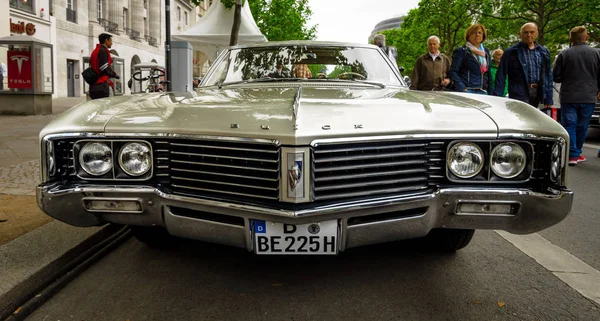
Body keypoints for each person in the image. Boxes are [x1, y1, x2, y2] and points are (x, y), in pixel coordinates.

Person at [552, 26, 600, 165]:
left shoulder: (564, 54)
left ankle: (572, 155)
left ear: (570, 39)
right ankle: (577, 153)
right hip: (589, 95)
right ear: (586, 37)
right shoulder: (596, 54)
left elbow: (557, 77)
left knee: (570, 124)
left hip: (569, 96)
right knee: (582, 126)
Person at [493, 23, 553, 109]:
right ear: (520, 34)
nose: (529, 35)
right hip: (518, 92)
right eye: (526, 32)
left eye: (532, 32)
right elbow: (501, 75)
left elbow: (548, 76)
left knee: (534, 120)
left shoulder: (543, 52)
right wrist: (497, 96)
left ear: (536, 33)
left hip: (538, 93)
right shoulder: (511, 52)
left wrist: (548, 98)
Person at [448, 23, 492, 95]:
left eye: (480, 32)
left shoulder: (486, 52)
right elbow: (453, 72)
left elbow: (488, 74)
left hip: (483, 91)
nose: (477, 35)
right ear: (468, 36)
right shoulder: (461, 51)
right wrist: (462, 88)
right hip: (468, 90)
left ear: (483, 35)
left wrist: (490, 92)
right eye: (474, 33)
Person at [89, 33, 119, 99]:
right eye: (110, 40)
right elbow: (103, 67)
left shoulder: (95, 51)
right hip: (102, 85)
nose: (112, 43)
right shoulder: (103, 51)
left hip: (94, 85)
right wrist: (114, 74)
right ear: (106, 40)